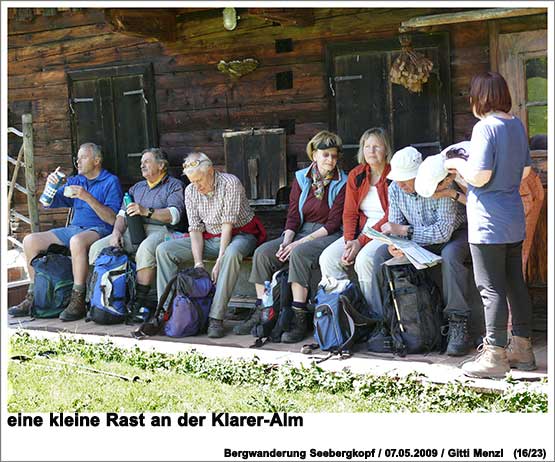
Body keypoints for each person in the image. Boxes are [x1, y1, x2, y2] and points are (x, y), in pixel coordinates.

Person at [445, 72, 536, 378]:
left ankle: (494, 355)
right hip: (512, 217)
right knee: (514, 283)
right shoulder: (515, 124)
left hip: (488, 222)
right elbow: (524, 172)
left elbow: (480, 176)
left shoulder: (485, 127)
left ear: (480, 97)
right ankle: (522, 350)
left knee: (490, 288)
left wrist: (456, 163)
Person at [354, 146, 471, 354]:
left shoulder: (439, 183)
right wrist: (395, 243)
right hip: (419, 238)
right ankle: (385, 323)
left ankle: (457, 324)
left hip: (455, 234)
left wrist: (405, 232)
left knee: (451, 255)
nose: (400, 183)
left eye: (406, 179)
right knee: (381, 254)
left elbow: (443, 232)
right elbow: (396, 225)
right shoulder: (396, 189)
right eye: (398, 178)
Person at [237, 130, 347, 343]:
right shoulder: (302, 178)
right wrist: (287, 240)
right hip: (301, 230)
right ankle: (264, 311)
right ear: (314, 155)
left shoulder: (343, 182)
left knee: (299, 253)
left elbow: (334, 224)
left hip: (328, 234)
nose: (331, 160)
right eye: (325, 155)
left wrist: (297, 244)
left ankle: (298, 317)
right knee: (263, 253)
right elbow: (294, 216)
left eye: (334, 155)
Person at [155, 152, 266, 339]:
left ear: (211, 171)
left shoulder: (230, 183)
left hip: (241, 234)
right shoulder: (190, 190)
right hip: (210, 238)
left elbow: (227, 224)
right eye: (192, 181)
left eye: (199, 180)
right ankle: (165, 312)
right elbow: (195, 229)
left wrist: (220, 259)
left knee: (231, 254)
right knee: (164, 250)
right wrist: (198, 263)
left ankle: (216, 317)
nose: (196, 186)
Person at [8, 142, 122, 321]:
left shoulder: (110, 181)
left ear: (97, 160)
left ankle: (77, 299)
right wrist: (50, 186)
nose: (78, 161)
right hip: (74, 229)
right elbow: (47, 203)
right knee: (30, 240)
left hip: (100, 229)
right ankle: (34, 296)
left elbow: (113, 219)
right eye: (77, 158)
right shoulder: (76, 180)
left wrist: (87, 197)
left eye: (83, 157)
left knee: (76, 241)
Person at [89, 148, 186, 321]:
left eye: (147, 161)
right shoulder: (137, 188)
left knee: (146, 249)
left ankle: (140, 302)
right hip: (133, 229)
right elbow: (121, 215)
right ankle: (99, 300)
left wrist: (146, 211)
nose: (142, 165)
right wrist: (116, 233)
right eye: (141, 162)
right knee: (98, 248)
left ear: (161, 165)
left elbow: (174, 215)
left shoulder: (174, 185)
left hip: (163, 230)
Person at [319, 127, 391, 318]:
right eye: (367, 146)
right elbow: (349, 212)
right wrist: (349, 240)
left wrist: (360, 242)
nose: (371, 151)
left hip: (386, 232)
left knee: (365, 259)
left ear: (386, 150)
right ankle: (343, 316)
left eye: (376, 146)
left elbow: (391, 216)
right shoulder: (357, 175)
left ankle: (374, 318)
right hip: (359, 233)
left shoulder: (393, 175)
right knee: (327, 258)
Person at [414, 145, 472, 356]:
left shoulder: (466, 169)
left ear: (447, 179)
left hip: (472, 226)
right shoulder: (436, 167)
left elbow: (480, 206)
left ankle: (458, 323)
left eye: (437, 189)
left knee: (450, 255)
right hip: (450, 230)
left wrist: (451, 194)